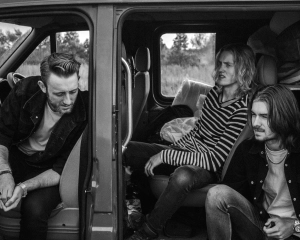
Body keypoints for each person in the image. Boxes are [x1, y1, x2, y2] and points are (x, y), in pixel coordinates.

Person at [123, 43, 256, 240]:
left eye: (228, 65)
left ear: (243, 69)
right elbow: (198, 131)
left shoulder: (241, 109)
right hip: (186, 151)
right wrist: (174, 149)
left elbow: (215, 159)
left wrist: (166, 155)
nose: (220, 69)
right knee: (127, 149)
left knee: (182, 176)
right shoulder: (214, 94)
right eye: (219, 63)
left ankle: (147, 232)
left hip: (208, 167)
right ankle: (128, 211)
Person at [0, 52, 88, 240]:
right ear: (42, 86)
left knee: (35, 209)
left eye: (73, 91)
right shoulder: (24, 91)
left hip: (50, 167)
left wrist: (23, 187)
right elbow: (2, 136)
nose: (68, 101)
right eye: (59, 93)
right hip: (16, 157)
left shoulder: (84, 112)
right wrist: (4, 174)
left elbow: (60, 168)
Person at [206, 85, 300, 240]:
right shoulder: (247, 150)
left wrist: (294, 225)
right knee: (217, 193)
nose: (255, 123)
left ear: (284, 116)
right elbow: (230, 192)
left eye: (264, 116)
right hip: (262, 224)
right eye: (253, 115)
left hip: (295, 230)